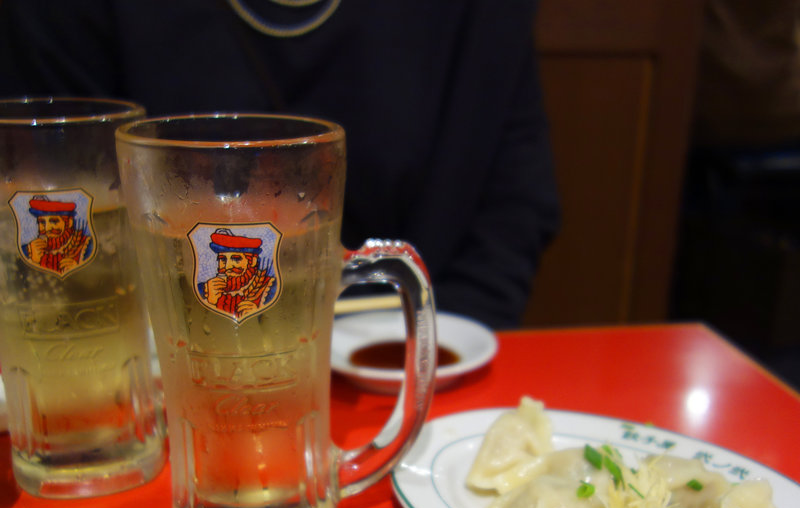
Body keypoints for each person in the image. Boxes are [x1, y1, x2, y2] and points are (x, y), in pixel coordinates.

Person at [0, 0, 559, 329]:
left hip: (415, 377)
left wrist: (427, 349)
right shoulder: (58, 14)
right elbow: (53, 222)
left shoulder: (478, 15)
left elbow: (514, 208)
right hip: (157, 394)